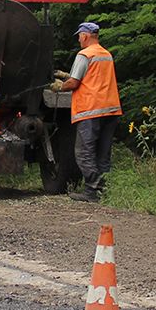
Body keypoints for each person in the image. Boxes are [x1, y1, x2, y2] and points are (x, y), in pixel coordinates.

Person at [58, 22, 122, 202]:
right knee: (103, 153)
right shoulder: (106, 54)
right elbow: (93, 77)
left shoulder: (84, 54)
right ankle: (102, 193)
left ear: (86, 36)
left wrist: (59, 85)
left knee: (84, 152)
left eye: (79, 36)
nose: (78, 39)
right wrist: (66, 74)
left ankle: (91, 190)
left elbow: (74, 83)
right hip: (110, 110)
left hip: (90, 110)